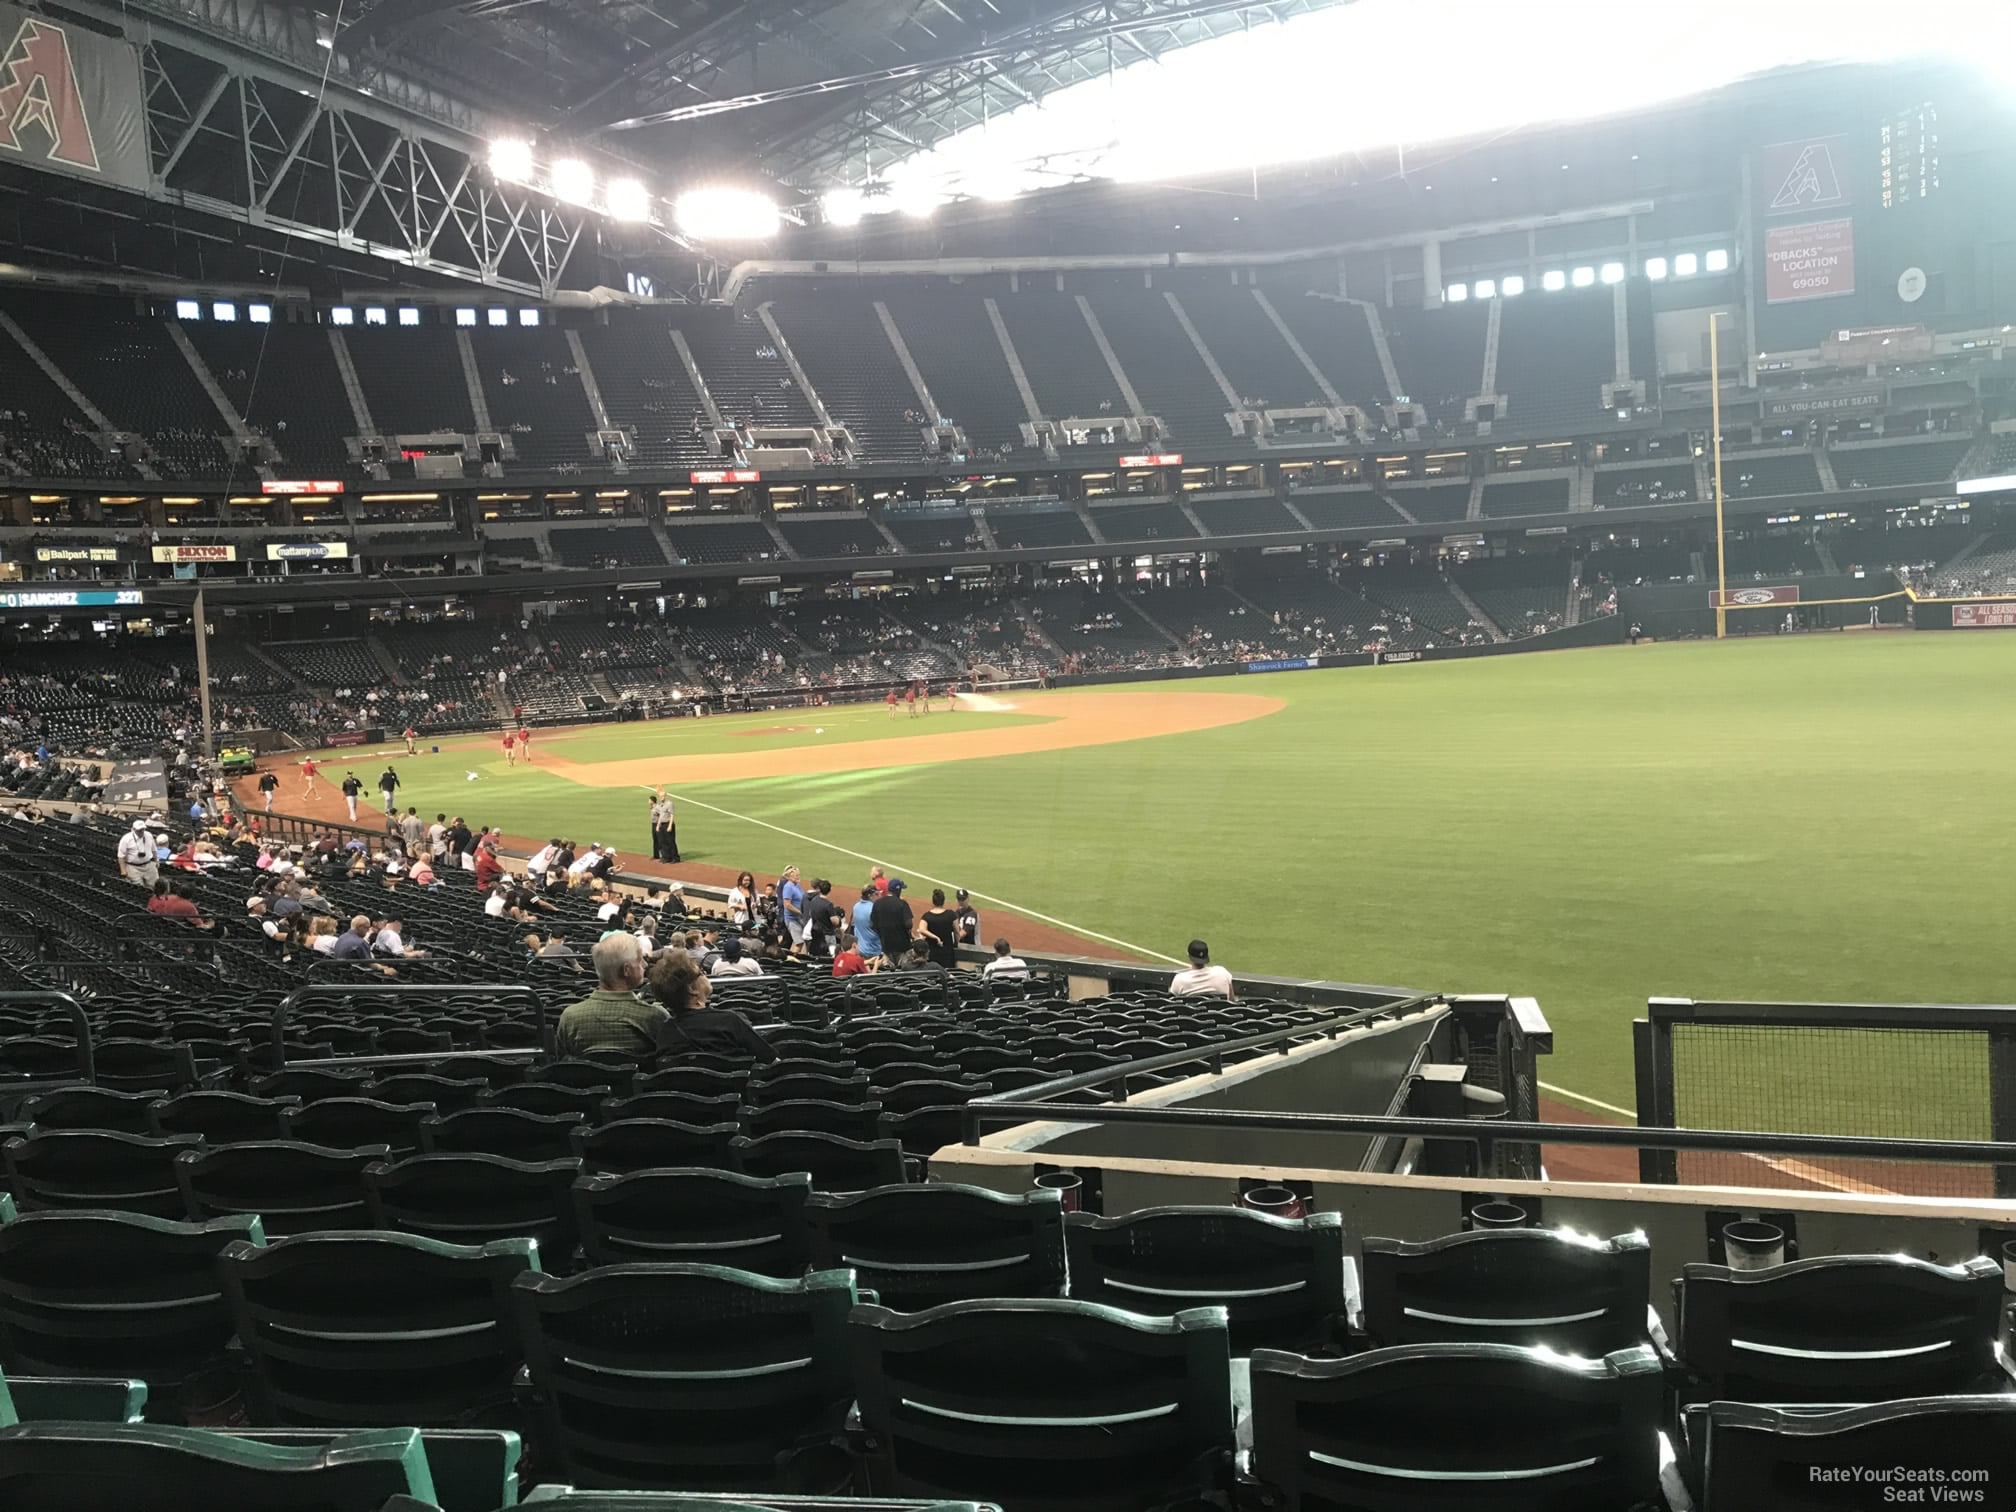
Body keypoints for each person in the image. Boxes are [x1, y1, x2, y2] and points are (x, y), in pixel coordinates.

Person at [650, 951, 777, 1062]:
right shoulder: (729, 1022)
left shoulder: (665, 1033)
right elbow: (771, 1060)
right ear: (692, 988)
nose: (706, 976)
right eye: (701, 972)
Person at [554, 931, 664, 1058]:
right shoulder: (654, 1017)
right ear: (626, 970)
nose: (644, 964)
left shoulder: (570, 1018)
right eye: (640, 960)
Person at [1168, 938, 1235, 998]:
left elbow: (1172, 1002)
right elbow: (1232, 1001)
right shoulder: (1222, 973)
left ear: (1189, 956)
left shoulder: (1180, 980)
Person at [870, 879, 915, 963]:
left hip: (886, 946)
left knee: (888, 972)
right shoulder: (902, 903)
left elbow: (873, 924)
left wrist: (882, 933)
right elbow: (909, 924)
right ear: (898, 891)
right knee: (903, 971)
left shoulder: (877, 903)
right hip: (902, 946)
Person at [920, 887, 958, 967]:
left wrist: (934, 937)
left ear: (933, 901)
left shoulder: (927, 916)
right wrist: (956, 944)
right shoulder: (951, 914)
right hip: (947, 951)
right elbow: (956, 932)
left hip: (932, 951)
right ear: (943, 901)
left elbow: (921, 929)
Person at [804, 879, 841, 960]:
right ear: (829, 890)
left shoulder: (814, 900)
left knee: (816, 953)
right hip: (828, 934)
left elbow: (811, 913)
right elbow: (834, 921)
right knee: (831, 956)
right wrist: (839, 919)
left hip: (815, 932)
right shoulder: (828, 904)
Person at [117, 819, 159, 888]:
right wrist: (123, 871)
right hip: (133, 867)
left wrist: (156, 860)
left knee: (155, 886)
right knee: (139, 888)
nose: (141, 832)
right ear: (133, 829)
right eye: (139, 830)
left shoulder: (149, 835)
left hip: (148, 864)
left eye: (143, 829)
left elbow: (154, 849)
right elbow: (121, 856)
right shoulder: (126, 839)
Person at [850, 884, 883, 961]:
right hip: (873, 951)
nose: (879, 896)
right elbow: (880, 929)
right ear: (870, 896)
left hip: (860, 949)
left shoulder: (856, 906)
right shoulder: (874, 909)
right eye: (876, 894)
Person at [778, 866, 806, 946]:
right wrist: (800, 912)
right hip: (792, 919)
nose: (798, 877)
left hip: (798, 918)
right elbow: (787, 905)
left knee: (796, 941)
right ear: (789, 877)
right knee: (799, 943)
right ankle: (793, 958)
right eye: (796, 876)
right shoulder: (788, 887)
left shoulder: (797, 885)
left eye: (798, 875)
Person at [649, 789, 679, 862]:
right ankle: (666, 857)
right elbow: (661, 816)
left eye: (662, 796)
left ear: (665, 796)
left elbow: (671, 815)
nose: (661, 797)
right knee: (663, 841)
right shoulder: (660, 805)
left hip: (668, 823)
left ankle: (675, 857)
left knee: (670, 841)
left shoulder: (669, 803)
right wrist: (658, 825)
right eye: (660, 796)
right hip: (662, 824)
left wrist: (670, 825)